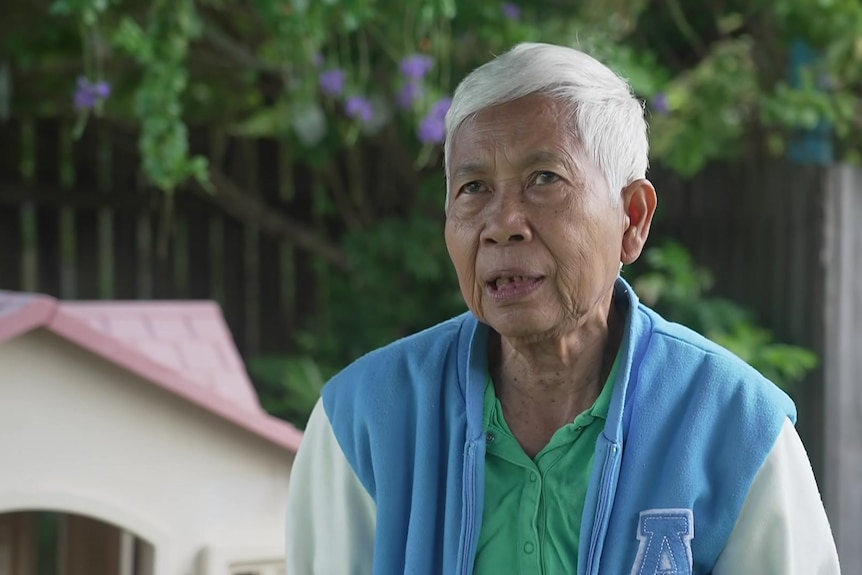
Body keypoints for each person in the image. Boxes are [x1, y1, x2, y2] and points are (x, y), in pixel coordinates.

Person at [285, 42, 840, 574]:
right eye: (473, 187)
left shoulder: (737, 428)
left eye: (544, 179)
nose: (502, 225)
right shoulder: (362, 422)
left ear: (633, 219)